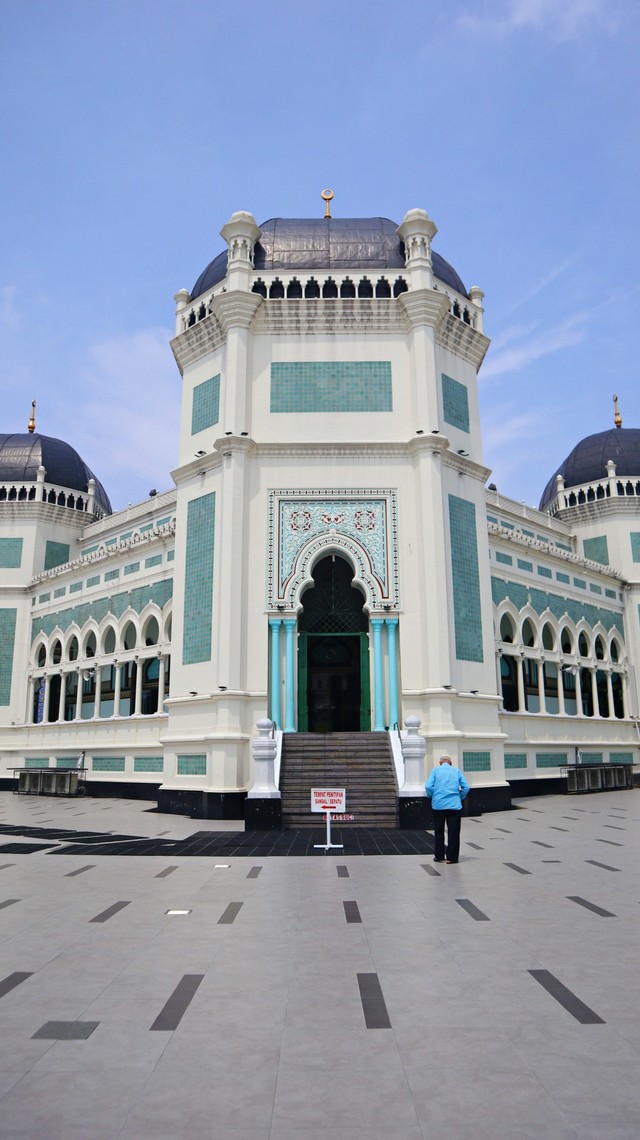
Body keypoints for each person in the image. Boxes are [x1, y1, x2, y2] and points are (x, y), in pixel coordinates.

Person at [425, 755, 470, 864]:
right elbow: (466, 787)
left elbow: (428, 786)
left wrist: (433, 795)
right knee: (453, 832)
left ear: (440, 763)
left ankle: (439, 856)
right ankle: (452, 858)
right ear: (451, 763)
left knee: (439, 831)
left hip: (438, 805)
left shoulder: (435, 770)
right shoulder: (456, 771)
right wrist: (459, 797)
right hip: (454, 805)